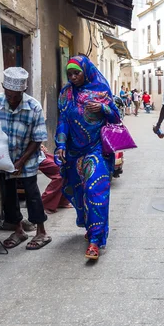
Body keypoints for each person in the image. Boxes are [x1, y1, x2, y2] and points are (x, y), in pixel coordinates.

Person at [55, 55, 120, 260]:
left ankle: (95, 241)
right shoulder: (66, 93)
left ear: (86, 71)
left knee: (95, 190)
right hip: (75, 152)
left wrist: (103, 108)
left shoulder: (101, 90)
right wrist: (61, 145)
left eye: (77, 73)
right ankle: (91, 225)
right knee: (80, 190)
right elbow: (63, 120)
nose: (73, 77)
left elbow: (116, 117)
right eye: (70, 74)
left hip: (97, 148)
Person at [0, 67, 51, 250]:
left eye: (17, 96)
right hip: (2, 157)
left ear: (23, 91)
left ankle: (41, 232)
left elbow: (37, 139)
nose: (12, 99)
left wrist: (21, 162)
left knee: (31, 193)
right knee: (8, 194)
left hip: (27, 156)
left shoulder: (34, 107)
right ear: (3, 88)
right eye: (9, 95)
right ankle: (18, 230)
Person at [39, 144, 72, 214]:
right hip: (36, 157)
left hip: (43, 155)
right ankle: (45, 204)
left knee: (68, 168)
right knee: (60, 175)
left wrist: (41, 146)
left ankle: (61, 201)